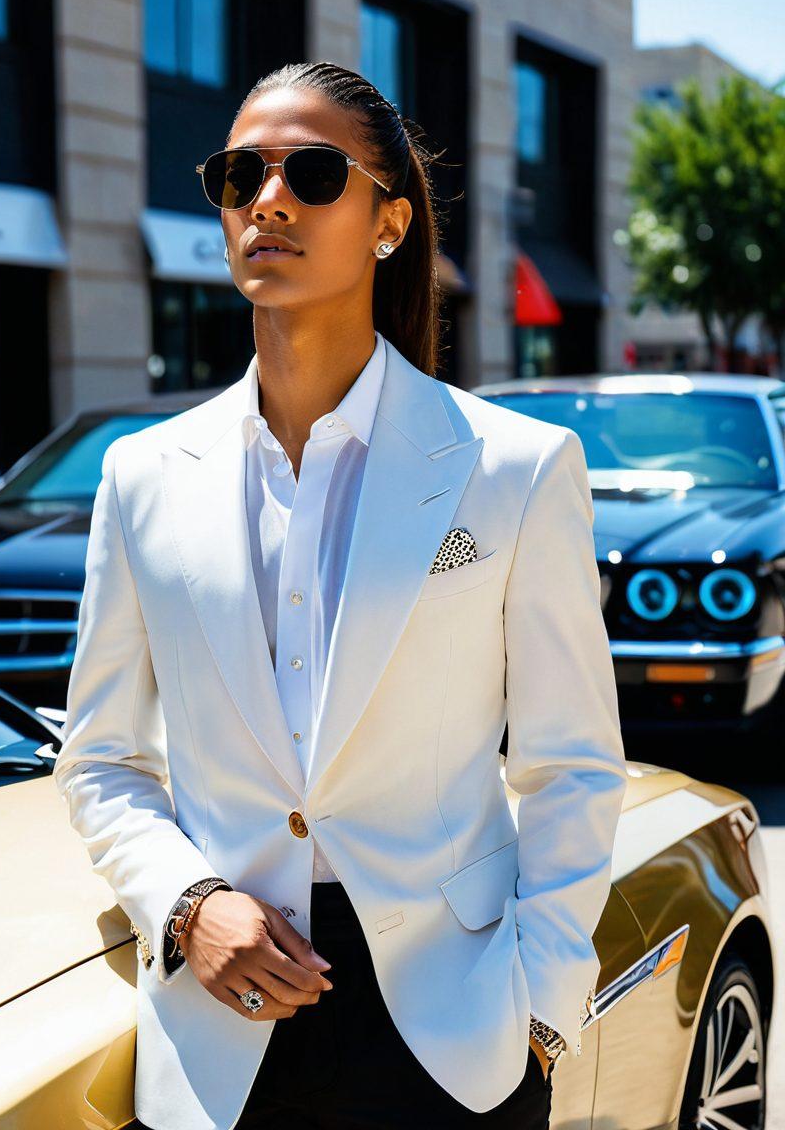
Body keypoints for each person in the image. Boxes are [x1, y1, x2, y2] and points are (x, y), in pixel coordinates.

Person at [53, 61, 627, 1130]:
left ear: (388, 224)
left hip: (456, 1035)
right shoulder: (141, 476)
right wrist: (185, 905)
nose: (268, 200)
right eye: (240, 176)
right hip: (222, 1028)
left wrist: (542, 1015)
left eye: (313, 173)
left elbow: (572, 764)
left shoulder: (514, 466)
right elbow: (102, 759)